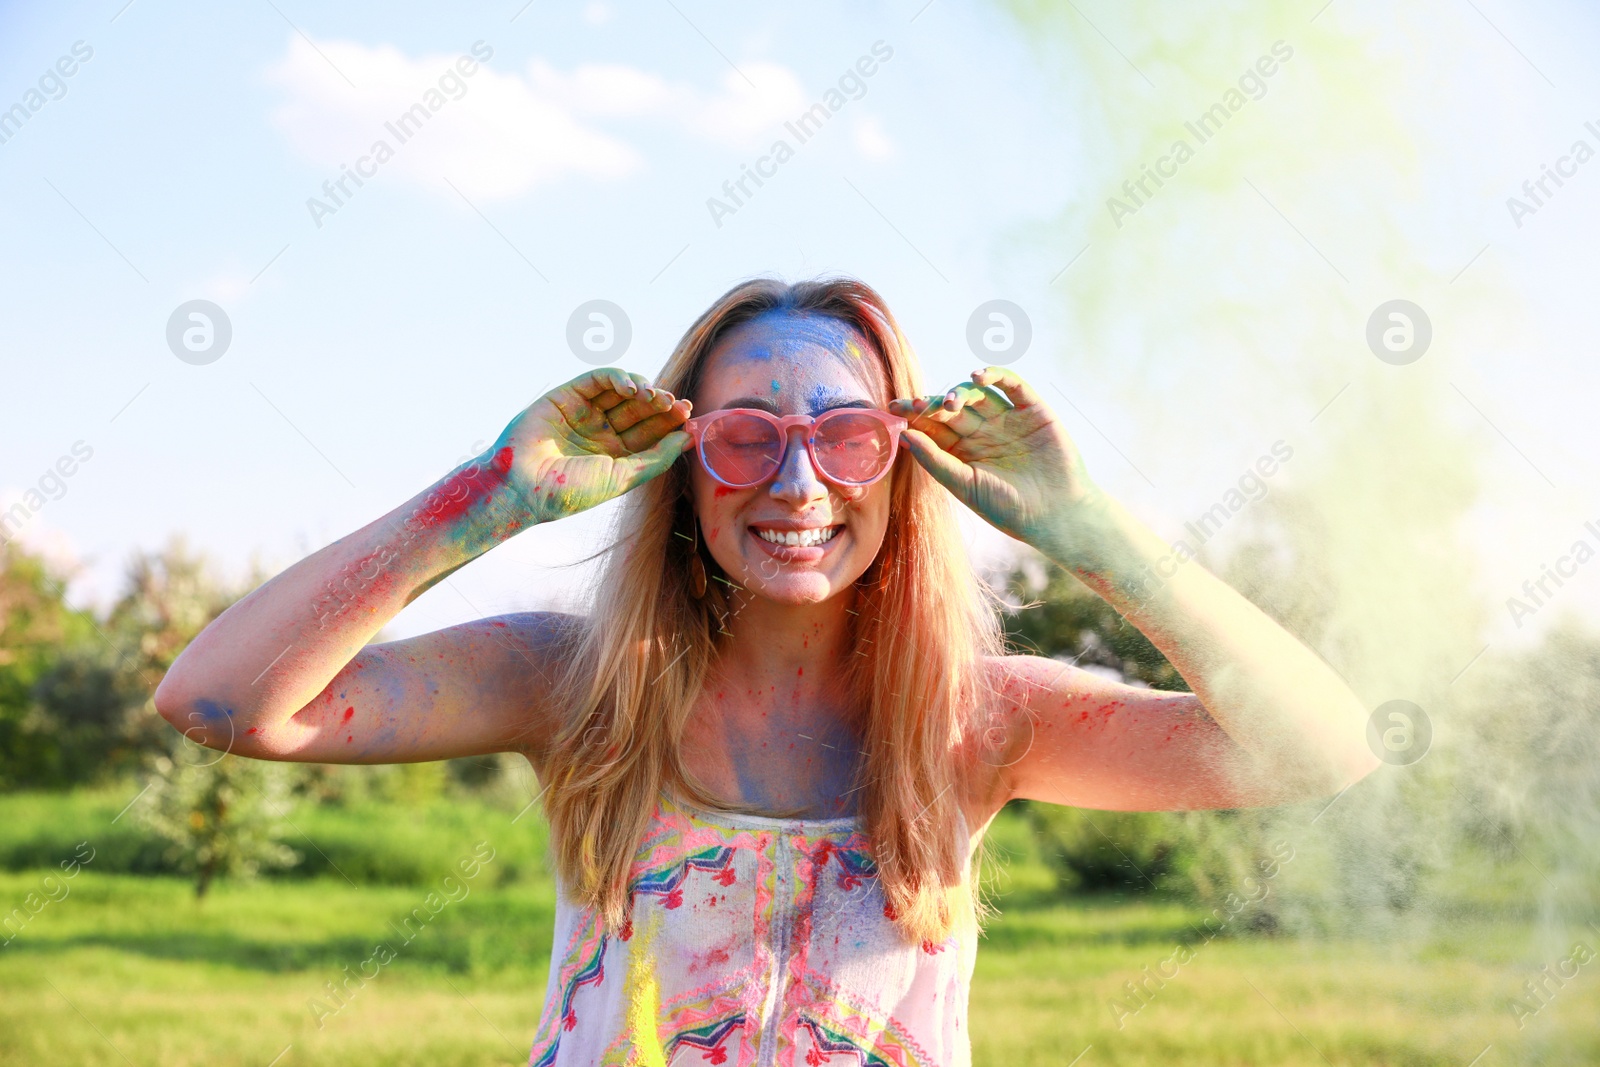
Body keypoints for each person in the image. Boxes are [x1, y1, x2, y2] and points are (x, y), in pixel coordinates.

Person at [155, 276, 1377, 1065]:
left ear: (906, 465)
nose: (799, 488)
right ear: (681, 468)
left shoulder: (983, 718)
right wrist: (492, 496)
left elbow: (1320, 747)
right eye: (744, 439)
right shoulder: (570, 679)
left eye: (846, 437)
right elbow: (220, 701)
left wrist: (1089, 533)